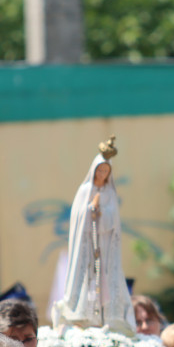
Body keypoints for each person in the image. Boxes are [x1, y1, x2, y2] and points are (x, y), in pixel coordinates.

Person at [51, 137, 135, 335]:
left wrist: (102, 214)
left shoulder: (110, 193)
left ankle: (108, 317)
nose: (102, 174)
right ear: (94, 170)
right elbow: (79, 218)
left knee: (106, 280)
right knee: (87, 279)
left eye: (106, 171)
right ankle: (82, 317)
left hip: (105, 245)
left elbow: (113, 220)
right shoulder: (85, 190)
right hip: (87, 245)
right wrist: (91, 212)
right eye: (100, 170)